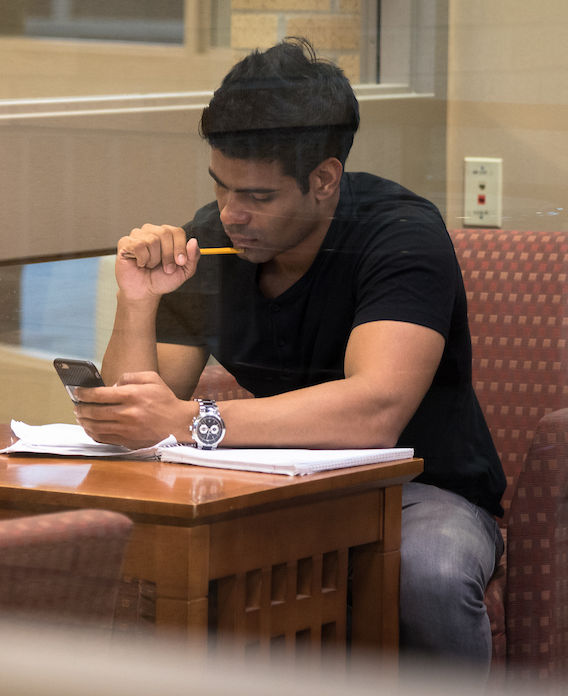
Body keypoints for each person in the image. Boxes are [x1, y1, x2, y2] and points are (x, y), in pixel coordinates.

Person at [73, 38, 506, 673]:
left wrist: (187, 421)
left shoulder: (401, 236)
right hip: (266, 480)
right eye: (221, 187)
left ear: (324, 179)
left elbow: (373, 411)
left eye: (258, 197)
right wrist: (138, 301)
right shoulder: (215, 239)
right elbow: (139, 415)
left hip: (418, 489)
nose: (231, 214)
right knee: (129, 553)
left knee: (428, 574)